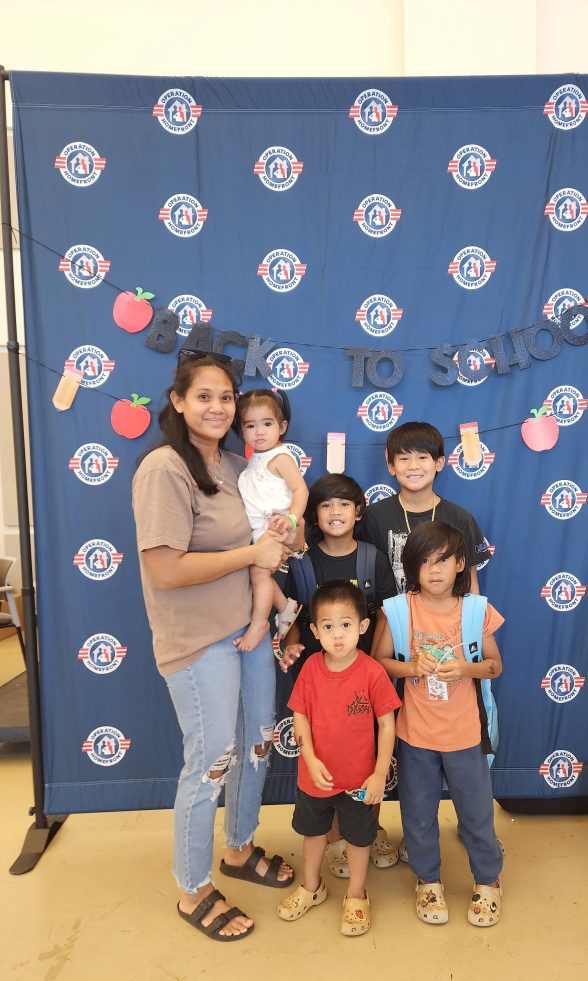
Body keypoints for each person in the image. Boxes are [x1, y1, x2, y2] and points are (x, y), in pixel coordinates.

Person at [132, 351, 294, 943]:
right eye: (205, 396)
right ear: (178, 401)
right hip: (199, 641)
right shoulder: (162, 469)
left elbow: (267, 532)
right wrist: (254, 555)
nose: (219, 408)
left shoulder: (234, 463)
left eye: (227, 398)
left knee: (257, 745)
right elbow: (167, 570)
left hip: (247, 629)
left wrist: (281, 535)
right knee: (211, 762)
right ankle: (193, 884)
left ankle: (239, 846)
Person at [374, 522, 505, 927]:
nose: (434, 570)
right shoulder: (396, 610)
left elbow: (495, 666)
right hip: (415, 736)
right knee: (417, 812)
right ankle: (428, 881)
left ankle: (488, 881)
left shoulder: (476, 609)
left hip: (465, 734)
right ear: (412, 568)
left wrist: (464, 668)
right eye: (425, 561)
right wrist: (413, 665)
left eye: (443, 560)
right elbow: (379, 663)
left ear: (460, 564)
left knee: (476, 813)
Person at [279, 473, 399, 877]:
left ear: (358, 512)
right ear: (314, 514)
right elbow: (294, 612)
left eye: (344, 504)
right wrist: (291, 644)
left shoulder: (372, 557)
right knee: (327, 752)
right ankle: (335, 839)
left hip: (365, 675)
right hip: (320, 677)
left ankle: (369, 828)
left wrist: (379, 660)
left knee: (366, 751)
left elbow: (385, 613)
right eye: (326, 505)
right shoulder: (303, 561)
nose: (335, 512)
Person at [277, 580, 401, 936]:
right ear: (314, 631)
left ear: (363, 627)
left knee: (360, 839)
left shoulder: (372, 673)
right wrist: (310, 757)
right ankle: (311, 887)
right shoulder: (311, 669)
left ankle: (357, 895)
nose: (338, 635)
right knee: (314, 835)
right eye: (328, 627)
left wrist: (379, 774)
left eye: (346, 625)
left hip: (359, 782)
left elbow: (387, 727)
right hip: (314, 779)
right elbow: (299, 716)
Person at [360, 421, 491, 596]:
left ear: (439, 463)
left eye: (422, 457)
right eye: (404, 458)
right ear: (391, 466)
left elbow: (470, 586)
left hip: (446, 620)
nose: (413, 466)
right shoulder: (373, 517)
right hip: (391, 620)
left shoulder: (460, 518)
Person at [234, 389, 308, 651]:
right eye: (250, 426)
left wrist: (290, 518)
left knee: (258, 572)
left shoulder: (281, 457)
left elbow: (301, 491)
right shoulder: (254, 459)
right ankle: (286, 607)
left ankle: (259, 623)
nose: (260, 432)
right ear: (241, 430)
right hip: (260, 530)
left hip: (275, 527)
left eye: (267, 424)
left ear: (282, 426)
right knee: (259, 575)